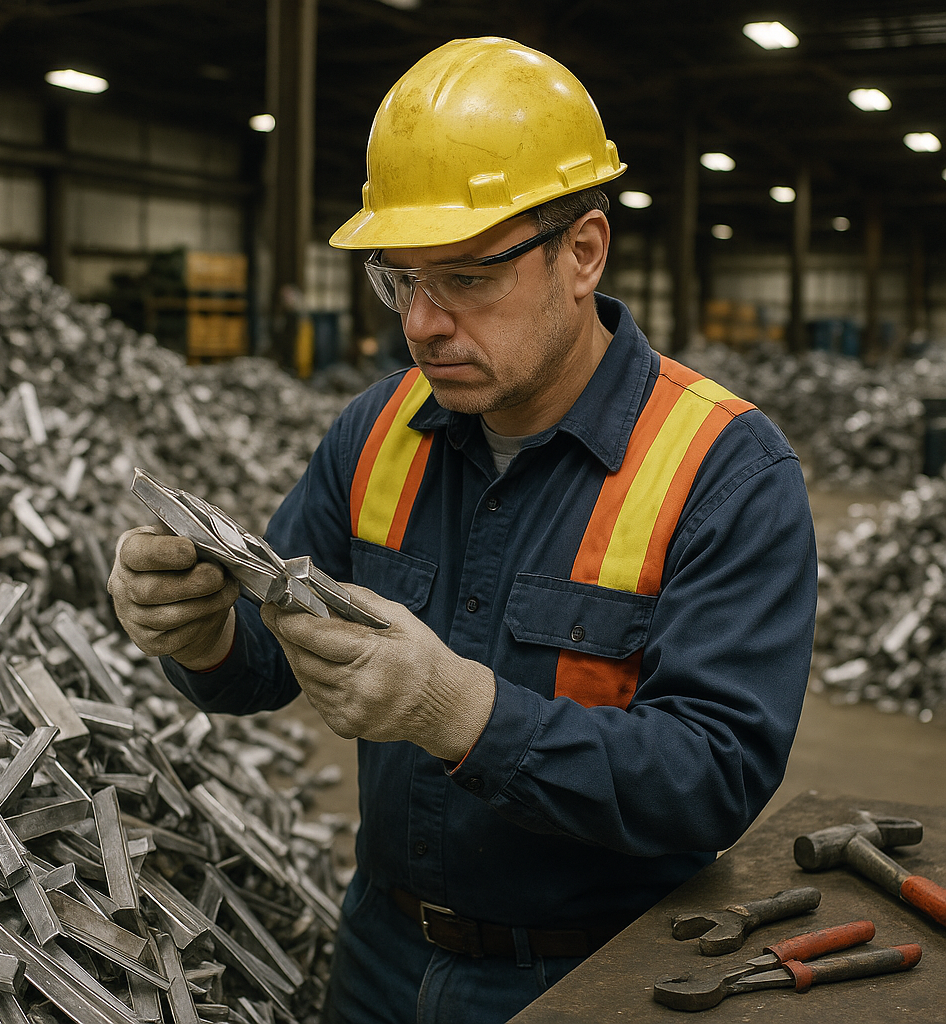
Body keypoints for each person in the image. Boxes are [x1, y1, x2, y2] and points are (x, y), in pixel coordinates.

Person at [108, 37, 817, 1024]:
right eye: (400, 280)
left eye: (467, 279)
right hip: (384, 951)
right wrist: (202, 632)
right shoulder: (379, 429)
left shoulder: (722, 469)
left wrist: (460, 709)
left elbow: (712, 776)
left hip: (599, 974)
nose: (424, 323)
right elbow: (268, 654)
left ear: (583, 252)